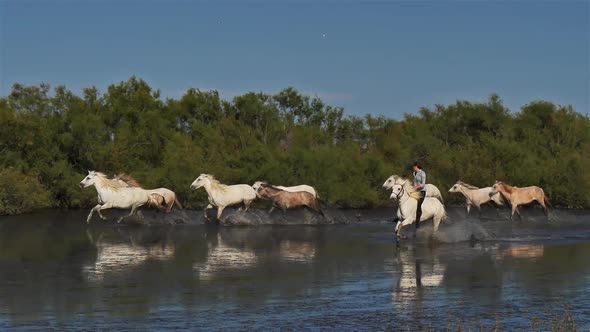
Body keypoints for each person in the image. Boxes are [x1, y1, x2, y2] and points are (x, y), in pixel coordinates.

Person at [412, 162, 426, 229]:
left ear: (416, 167)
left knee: (418, 206)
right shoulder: (414, 173)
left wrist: (416, 187)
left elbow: (423, 184)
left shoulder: (422, 173)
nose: (413, 168)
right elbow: (414, 182)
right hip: (415, 191)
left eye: (414, 167)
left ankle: (417, 224)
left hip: (421, 192)